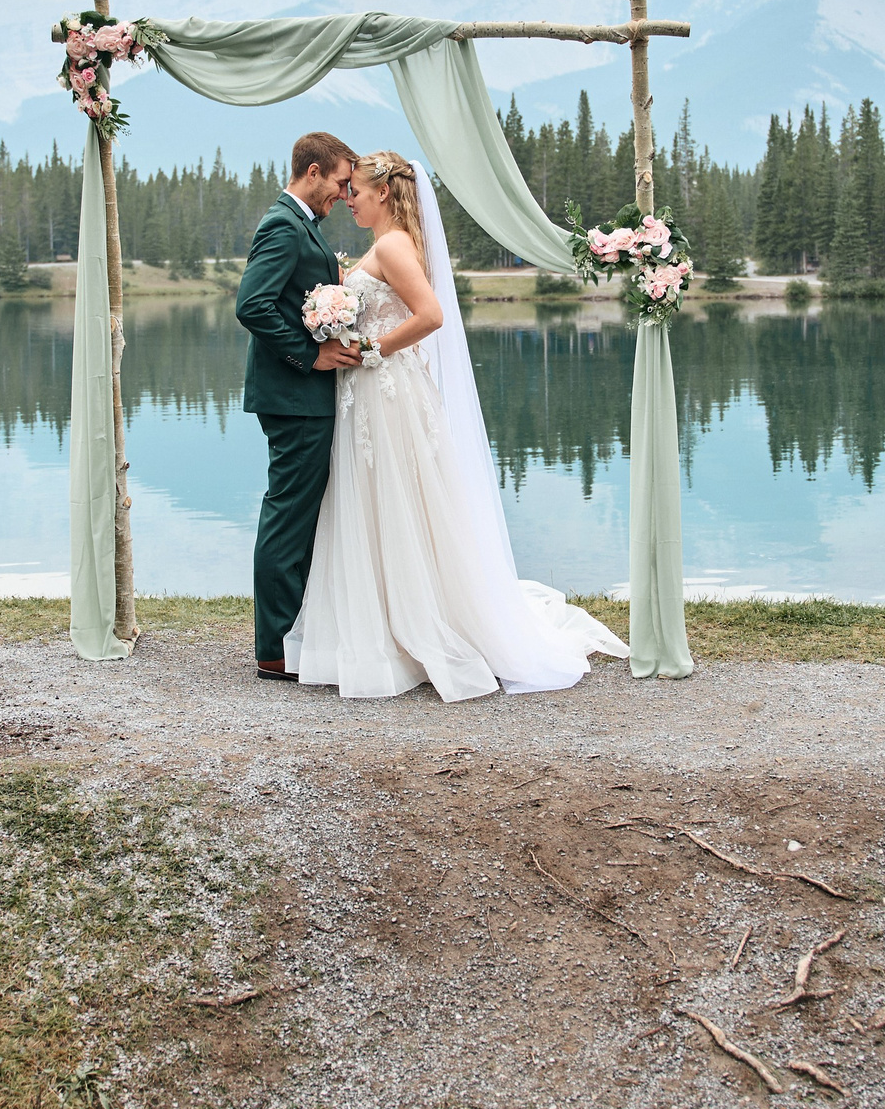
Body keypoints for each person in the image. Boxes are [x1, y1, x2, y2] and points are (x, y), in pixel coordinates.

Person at [284, 149, 625, 699]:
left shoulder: (393, 246)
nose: (348, 200)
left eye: (357, 192)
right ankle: (384, 624)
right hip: (370, 392)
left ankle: (411, 629)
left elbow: (431, 316)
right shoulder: (388, 243)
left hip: (384, 391)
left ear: (384, 193)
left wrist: (371, 348)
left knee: (395, 500)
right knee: (381, 502)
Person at [234, 132, 361, 681]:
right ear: (313, 172)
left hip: (303, 397)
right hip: (294, 397)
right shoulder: (283, 225)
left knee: (299, 515)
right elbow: (252, 305)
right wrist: (310, 355)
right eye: (340, 183)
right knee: (287, 516)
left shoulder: (302, 224)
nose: (344, 194)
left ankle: (294, 635)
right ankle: (275, 649)